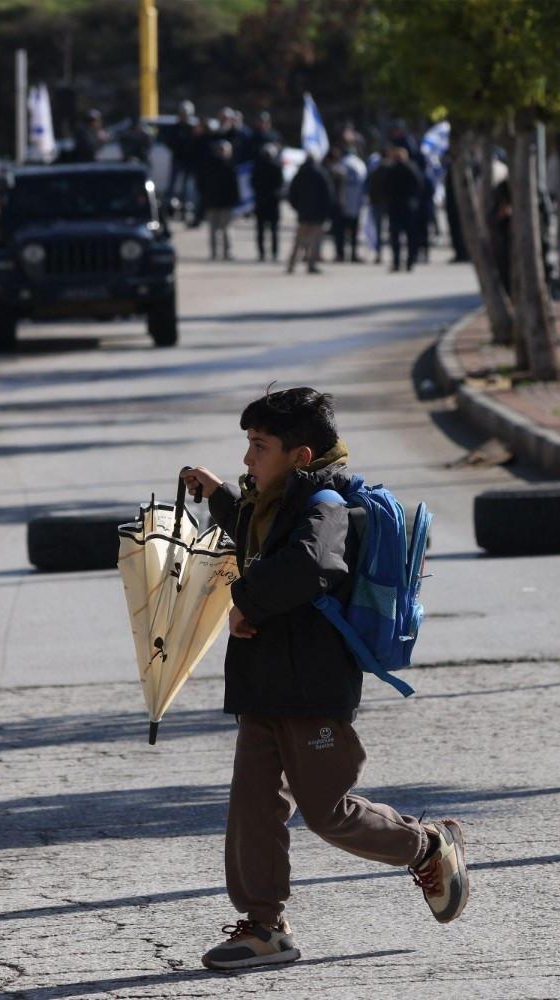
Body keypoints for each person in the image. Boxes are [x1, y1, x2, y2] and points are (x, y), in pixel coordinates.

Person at [180, 387, 470, 971]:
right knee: (253, 809)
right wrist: (218, 495)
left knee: (326, 810)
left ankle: (426, 844)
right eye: (248, 446)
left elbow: (313, 563)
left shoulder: (327, 503)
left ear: (301, 454)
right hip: (265, 685)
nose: (248, 459)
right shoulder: (278, 500)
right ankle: (264, 927)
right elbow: (262, 534)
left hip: (311, 686)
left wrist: (248, 603)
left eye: (259, 447)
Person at [286, 153, 334, 274]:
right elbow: (328, 195)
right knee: (314, 241)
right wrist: (327, 212)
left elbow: (291, 193)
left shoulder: (299, 174)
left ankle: (292, 264)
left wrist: (297, 207)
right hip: (317, 214)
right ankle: (311, 265)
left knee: (299, 240)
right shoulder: (321, 174)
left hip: (303, 213)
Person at [383, 146, 424, 273]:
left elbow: (386, 187)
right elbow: (419, 185)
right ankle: (409, 261)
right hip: (407, 206)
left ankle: (397, 262)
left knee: (396, 236)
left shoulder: (392, 169)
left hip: (396, 206)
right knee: (410, 236)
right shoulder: (411, 168)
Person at [200, 140, 240, 261]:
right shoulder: (221, 166)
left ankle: (222, 252)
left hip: (220, 203)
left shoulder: (226, 167)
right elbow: (201, 184)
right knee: (217, 229)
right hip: (215, 203)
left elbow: (235, 187)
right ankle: (218, 253)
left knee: (223, 229)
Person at [331, 144, 366, 263]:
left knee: (340, 232)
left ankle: (340, 254)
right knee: (354, 232)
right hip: (356, 203)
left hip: (342, 202)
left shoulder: (340, 164)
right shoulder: (360, 164)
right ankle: (353, 254)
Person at [251, 143, 283, 262]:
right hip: (272, 203)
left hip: (261, 202)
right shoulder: (276, 167)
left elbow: (253, 183)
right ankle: (274, 253)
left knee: (262, 230)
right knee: (273, 230)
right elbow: (280, 185)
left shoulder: (257, 167)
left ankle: (262, 253)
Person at [365, 150, 390, 265]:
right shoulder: (391, 170)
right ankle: (395, 254)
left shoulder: (376, 172)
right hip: (389, 204)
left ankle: (379, 254)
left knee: (379, 231)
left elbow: (370, 188)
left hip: (378, 204)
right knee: (394, 230)